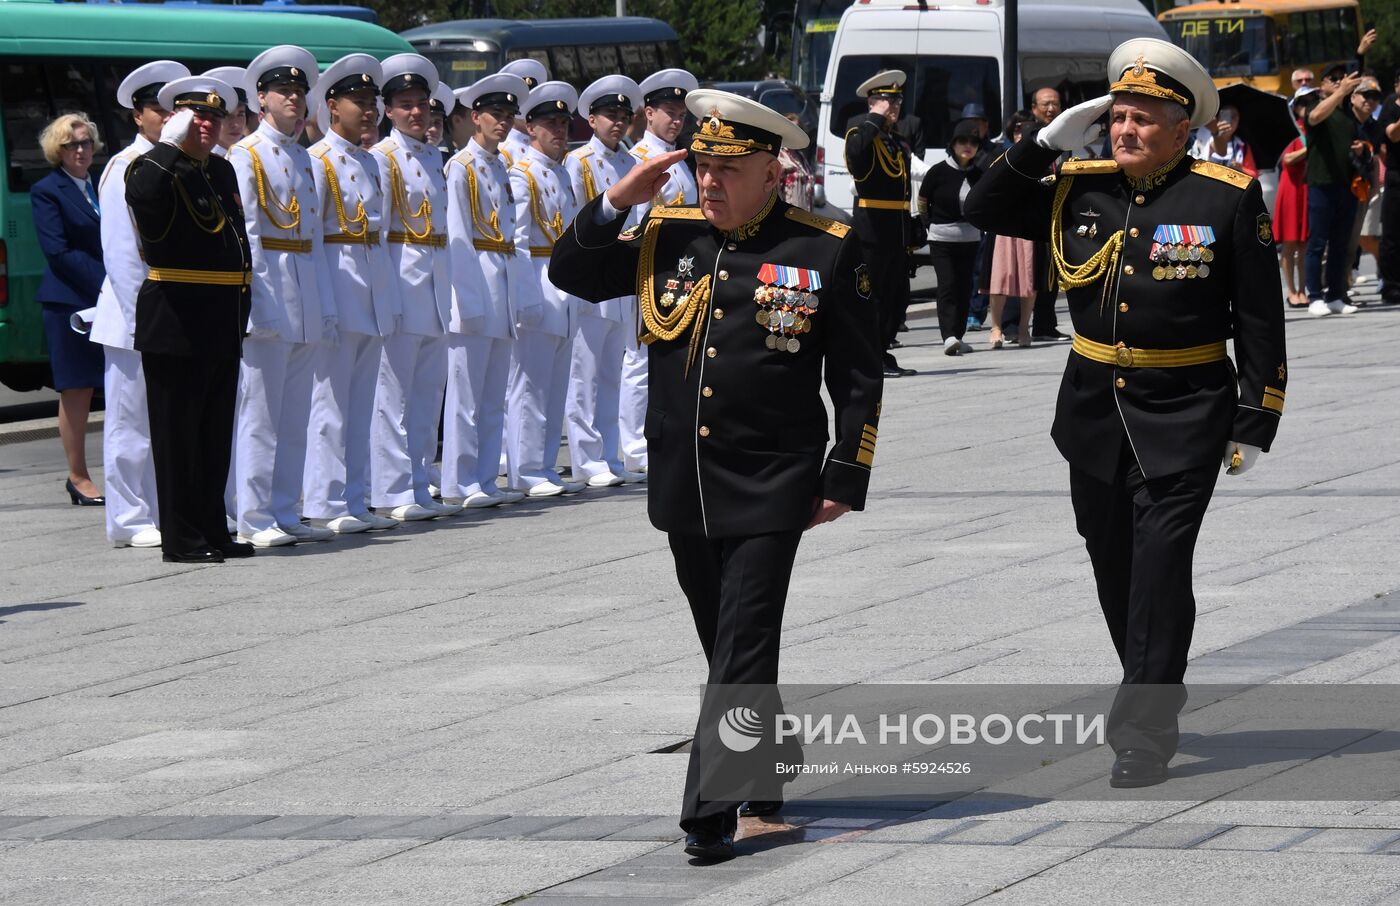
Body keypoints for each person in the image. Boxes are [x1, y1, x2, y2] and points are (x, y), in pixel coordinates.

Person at [549, 88, 882, 862]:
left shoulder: (826, 245)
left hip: (774, 480)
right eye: (702, 165)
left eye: (728, 168)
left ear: (774, 169)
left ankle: (709, 806)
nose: (709, 182)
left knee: (742, 638)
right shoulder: (666, 234)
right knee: (724, 640)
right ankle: (764, 769)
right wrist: (613, 203)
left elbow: (859, 376)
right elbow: (573, 273)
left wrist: (846, 473)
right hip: (685, 477)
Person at [966, 38, 1287, 788]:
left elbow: (1261, 319)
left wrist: (1256, 413)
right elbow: (979, 205)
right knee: (1116, 569)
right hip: (1093, 414)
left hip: (1186, 412)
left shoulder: (1225, 196)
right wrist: (1043, 141)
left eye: (1143, 119)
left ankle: (1142, 729)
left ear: (1183, 126)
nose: (1125, 130)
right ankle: (1153, 677)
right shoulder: (1081, 187)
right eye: (1118, 117)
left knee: (1160, 569)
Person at [125, 74, 252, 564]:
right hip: (176, 320)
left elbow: (236, 242)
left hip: (220, 318)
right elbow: (144, 197)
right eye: (198, 116)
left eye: (215, 117)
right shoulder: (152, 167)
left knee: (213, 435)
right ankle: (181, 538)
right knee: (178, 437)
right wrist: (169, 142)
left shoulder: (220, 172)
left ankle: (213, 530)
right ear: (177, 119)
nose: (208, 125)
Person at [229, 45, 338, 548]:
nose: (293, 99)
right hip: (270, 289)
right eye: (283, 91)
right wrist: (255, 306)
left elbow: (314, 238)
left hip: (304, 291)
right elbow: (247, 235)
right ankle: (252, 515)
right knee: (261, 414)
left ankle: (283, 507)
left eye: (299, 91)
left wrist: (324, 303)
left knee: (296, 413)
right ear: (260, 99)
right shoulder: (245, 154)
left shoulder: (302, 157)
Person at [303, 54, 403, 534]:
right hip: (339, 288)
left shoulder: (370, 161)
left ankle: (354, 497)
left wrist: (388, 297)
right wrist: (323, 302)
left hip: (369, 289)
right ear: (330, 106)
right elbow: (317, 239)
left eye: (371, 102)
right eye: (357, 101)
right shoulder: (319, 161)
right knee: (331, 403)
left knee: (361, 402)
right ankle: (324, 499)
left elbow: (379, 238)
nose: (368, 110)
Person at [91, 60, 189, 548]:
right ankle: (128, 520)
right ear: (137, 116)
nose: (167, 117)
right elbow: (122, 256)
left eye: (174, 108)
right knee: (131, 424)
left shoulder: (180, 163)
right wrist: (143, 322)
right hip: (136, 316)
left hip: (173, 312)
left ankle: (161, 510)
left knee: (167, 420)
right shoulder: (123, 167)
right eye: (157, 109)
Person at [370, 54, 454, 522]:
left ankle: (420, 481)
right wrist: (386, 295)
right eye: (406, 105)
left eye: (422, 104)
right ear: (389, 111)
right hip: (402, 280)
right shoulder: (383, 158)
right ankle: (393, 488)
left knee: (426, 393)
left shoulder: (430, 156)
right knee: (394, 394)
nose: (417, 113)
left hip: (435, 285)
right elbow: (379, 233)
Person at [441, 72, 531, 509]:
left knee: (494, 392)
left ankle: (484, 477)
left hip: (502, 282)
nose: (504, 122)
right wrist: (467, 302)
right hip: (474, 284)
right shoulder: (460, 167)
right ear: (475, 117)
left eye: (510, 115)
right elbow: (457, 236)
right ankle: (459, 479)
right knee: (466, 396)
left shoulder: (501, 166)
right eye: (496, 114)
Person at [505, 81, 584, 498]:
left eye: (562, 122)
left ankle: (545, 464)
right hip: (536, 281)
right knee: (529, 385)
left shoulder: (561, 172)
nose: (559, 130)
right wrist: (525, 296)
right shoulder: (521, 175)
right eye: (550, 123)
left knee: (555, 385)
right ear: (530, 128)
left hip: (563, 289)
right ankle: (525, 468)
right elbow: (516, 240)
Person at [621, 68, 700, 480]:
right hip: (650, 270)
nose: (676, 120)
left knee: (670, 359)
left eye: (681, 114)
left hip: (681, 273)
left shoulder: (681, 159)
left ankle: (661, 437)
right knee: (638, 360)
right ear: (648, 113)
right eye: (668, 112)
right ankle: (634, 447)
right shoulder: (638, 161)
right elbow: (634, 224)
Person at [565, 75, 645, 487]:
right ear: (591, 120)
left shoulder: (630, 163)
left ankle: (610, 453)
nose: (617, 122)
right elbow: (575, 223)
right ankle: (586, 457)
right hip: (592, 276)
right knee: (586, 370)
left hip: (621, 276)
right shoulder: (577, 163)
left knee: (613, 367)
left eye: (622, 115)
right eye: (608, 115)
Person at [32, 113, 107, 507]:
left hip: (109, 299)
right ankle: (78, 476)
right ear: (57, 152)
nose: (80, 150)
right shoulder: (48, 190)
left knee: (116, 387)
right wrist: (108, 281)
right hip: (71, 301)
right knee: (77, 389)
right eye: (71, 145)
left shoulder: (103, 183)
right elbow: (58, 251)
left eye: (85, 143)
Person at [845, 69, 917, 377]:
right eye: (888, 102)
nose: (895, 108)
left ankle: (882, 350)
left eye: (897, 102)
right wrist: (873, 118)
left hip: (896, 226)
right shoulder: (860, 131)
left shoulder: (894, 139)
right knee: (871, 295)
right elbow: (858, 160)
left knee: (896, 295)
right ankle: (867, 355)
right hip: (873, 227)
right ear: (873, 103)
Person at [1301, 31, 1377, 317]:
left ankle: (1336, 294)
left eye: (1340, 79)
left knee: (1340, 243)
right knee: (1317, 242)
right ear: (1322, 85)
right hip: (1321, 183)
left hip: (1345, 183)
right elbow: (1315, 117)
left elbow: (1354, 76)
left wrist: (1359, 52)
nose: (1339, 82)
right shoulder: (1315, 105)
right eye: (1332, 79)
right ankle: (1314, 296)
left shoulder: (1345, 108)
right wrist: (1340, 92)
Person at [918, 117, 982, 356]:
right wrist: (928, 225)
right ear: (953, 144)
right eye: (963, 141)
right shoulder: (938, 171)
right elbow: (923, 200)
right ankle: (948, 336)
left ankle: (959, 334)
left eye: (973, 142)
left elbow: (985, 202)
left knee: (965, 288)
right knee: (947, 285)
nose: (968, 146)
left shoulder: (979, 174)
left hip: (970, 238)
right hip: (941, 239)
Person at [1025, 86, 1073, 342]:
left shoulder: (1067, 137)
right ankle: (1015, 325)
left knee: (1051, 274)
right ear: (1034, 108)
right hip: (1032, 214)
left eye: (1055, 103)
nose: (1051, 109)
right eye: (1045, 104)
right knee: (1028, 272)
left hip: (1055, 215)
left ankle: (1045, 324)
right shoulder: (1030, 135)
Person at [1275, 91, 1312, 308]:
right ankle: (1291, 290)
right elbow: (1288, 159)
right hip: (1291, 188)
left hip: (1306, 188)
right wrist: (1310, 148)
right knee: (1289, 243)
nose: (1308, 107)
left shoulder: (1313, 127)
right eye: (1304, 103)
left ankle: (1303, 289)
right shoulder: (1294, 129)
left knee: (1304, 244)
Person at [1377, 69, 1400, 305]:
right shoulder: (1391, 106)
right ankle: (1391, 284)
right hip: (1396, 175)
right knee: (1392, 232)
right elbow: (1392, 135)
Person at [499, 57, 547, 165]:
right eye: (523, 102)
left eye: (532, 100)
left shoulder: (547, 145)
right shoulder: (503, 152)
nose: (528, 107)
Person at [1190, 105, 1258, 177]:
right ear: (1218, 117)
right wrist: (1216, 131)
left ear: (1239, 121)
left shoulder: (1243, 146)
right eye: (1226, 115)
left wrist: (1241, 169)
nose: (1230, 120)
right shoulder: (1199, 135)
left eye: (1234, 116)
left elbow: (1254, 175)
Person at [202, 67, 249, 156]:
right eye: (227, 115)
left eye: (241, 114)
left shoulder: (255, 155)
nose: (236, 124)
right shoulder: (200, 157)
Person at [777, 113, 815, 210]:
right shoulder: (778, 155)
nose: (793, 133)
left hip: (805, 215)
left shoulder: (800, 155)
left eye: (797, 129)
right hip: (787, 215)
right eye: (790, 129)